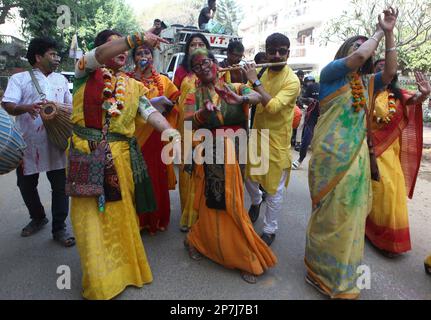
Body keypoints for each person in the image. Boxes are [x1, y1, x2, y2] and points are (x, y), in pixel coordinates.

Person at [70, 29, 181, 300]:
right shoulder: (83, 70)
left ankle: (125, 273)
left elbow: (149, 111)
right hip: (88, 153)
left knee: (121, 217)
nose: (121, 50)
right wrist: (136, 38)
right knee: (90, 221)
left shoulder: (133, 85)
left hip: (121, 159)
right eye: (113, 45)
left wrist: (170, 132)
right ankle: (99, 282)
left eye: (122, 46)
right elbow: (98, 55)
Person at [304, 7, 399, 300]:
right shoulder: (332, 73)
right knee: (330, 214)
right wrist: (378, 31)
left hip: (355, 159)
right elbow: (357, 58)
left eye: (367, 49)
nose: (364, 51)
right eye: (357, 46)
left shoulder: (367, 83)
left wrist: (390, 34)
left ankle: (344, 275)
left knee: (351, 214)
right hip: (330, 158)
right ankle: (318, 271)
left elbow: (390, 72)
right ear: (346, 51)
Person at [183, 48, 277, 284]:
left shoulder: (234, 87)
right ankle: (200, 242)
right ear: (194, 72)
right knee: (213, 202)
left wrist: (241, 99)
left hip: (237, 151)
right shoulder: (194, 94)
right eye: (196, 66)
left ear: (215, 63)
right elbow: (186, 120)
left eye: (206, 62)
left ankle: (234, 252)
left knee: (232, 203)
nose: (202, 67)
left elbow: (257, 98)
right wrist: (202, 114)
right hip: (211, 153)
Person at [1, 37, 75, 247]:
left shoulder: (61, 80)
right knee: (26, 184)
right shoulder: (20, 79)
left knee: (60, 186)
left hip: (56, 140)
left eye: (57, 54)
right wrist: (27, 108)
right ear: (38, 57)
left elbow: (68, 107)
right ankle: (38, 217)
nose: (57, 58)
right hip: (28, 142)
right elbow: (8, 105)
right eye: (52, 54)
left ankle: (59, 228)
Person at [365, 60, 430, 257]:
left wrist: (425, 93)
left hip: (390, 152)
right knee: (374, 190)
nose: (384, 69)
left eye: (387, 67)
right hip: (370, 149)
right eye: (379, 67)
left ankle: (390, 238)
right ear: (374, 72)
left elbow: (415, 101)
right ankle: (370, 230)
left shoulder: (398, 95)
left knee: (392, 192)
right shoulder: (367, 92)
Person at [243, 33, 301, 246]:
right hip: (258, 136)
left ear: (288, 53)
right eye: (272, 51)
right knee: (249, 177)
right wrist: (241, 93)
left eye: (281, 51)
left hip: (277, 142)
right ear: (266, 51)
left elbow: (274, 106)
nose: (276, 55)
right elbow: (254, 95)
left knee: (274, 190)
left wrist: (255, 81)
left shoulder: (292, 81)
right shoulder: (264, 71)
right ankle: (257, 200)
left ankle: (270, 229)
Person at [130, 44, 181, 235]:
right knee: (137, 177)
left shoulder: (164, 81)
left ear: (152, 57)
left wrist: (167, 107)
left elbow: (177, 103)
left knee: (155, 177)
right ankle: (138, 219)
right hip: (136, 137)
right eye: (139, 53)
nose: (143, 56)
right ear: (133, 58)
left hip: (157, 137)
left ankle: (156, 219)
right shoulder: (126, 80)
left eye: (147, 53)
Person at [174, 33, 211, 232]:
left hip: (206, 127)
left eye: (200, 44)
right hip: (185, 127)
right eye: (193, 44)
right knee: (186, 169)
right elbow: (174, 97)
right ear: (187, 49)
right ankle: (187, 215)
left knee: (204, 170)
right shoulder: (181, 72)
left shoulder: (217, 70)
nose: (196, 46)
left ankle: (202, 214)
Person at [292, 76, 320, 169]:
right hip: (312, 116)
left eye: (311, 81)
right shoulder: (311, 87)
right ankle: (300, 159)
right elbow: (301, 98)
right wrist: (308, 100)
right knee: (307, 138)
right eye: (308, 82)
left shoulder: (336, 87)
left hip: (325, 116)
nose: (309, 83)